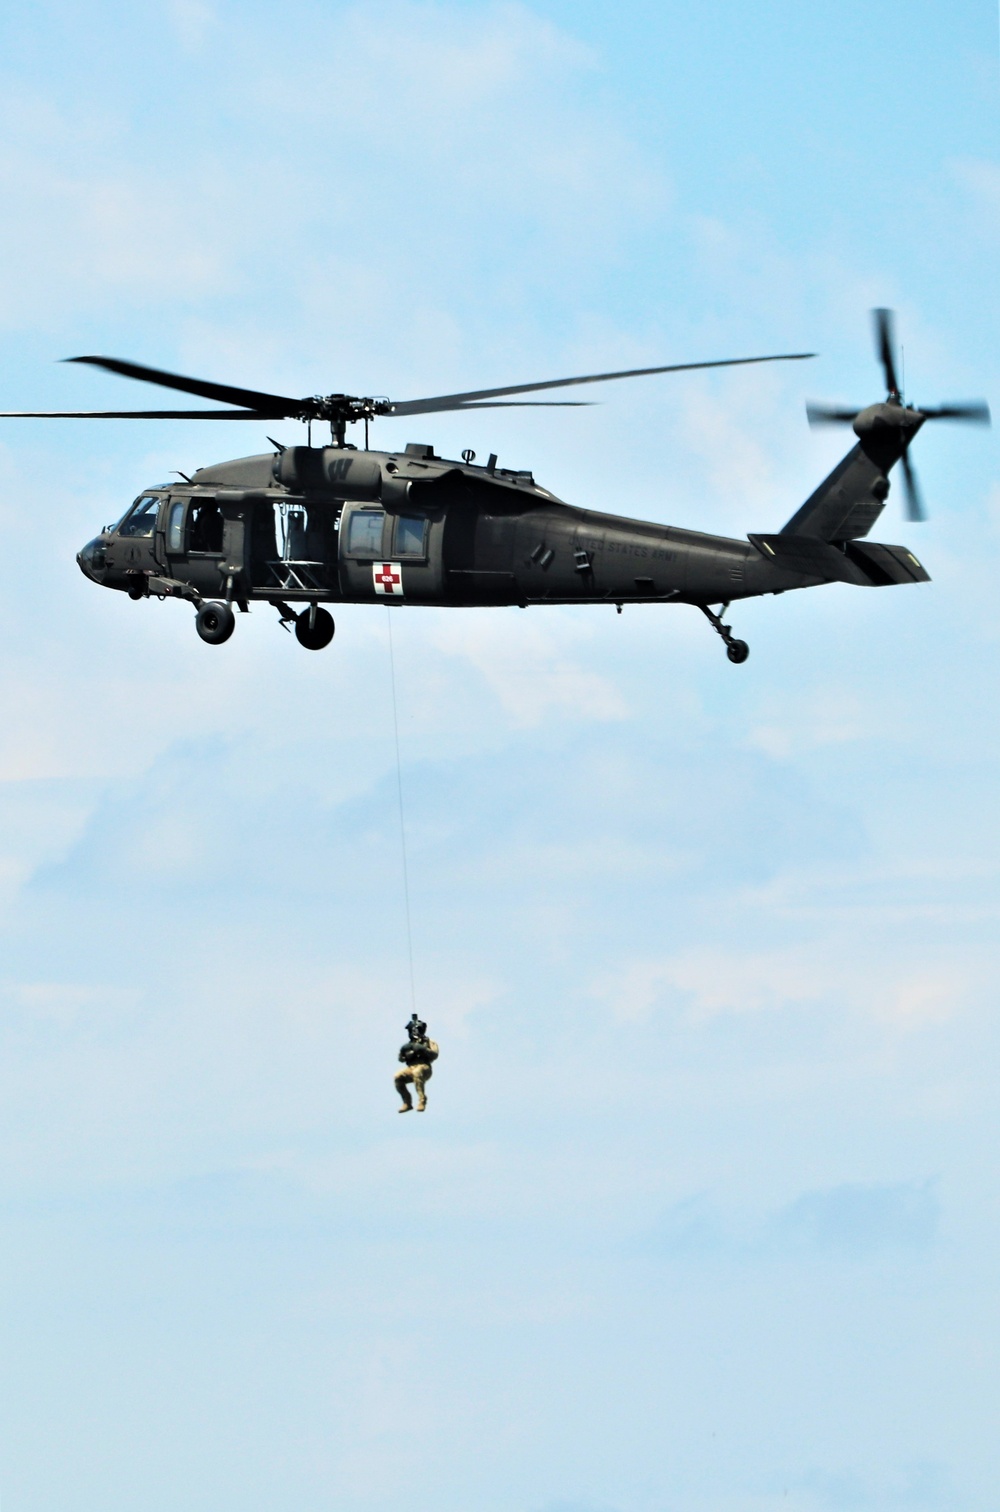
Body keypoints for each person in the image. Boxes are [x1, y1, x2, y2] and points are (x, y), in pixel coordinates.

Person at [395, 1015, 439, 1112]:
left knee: (417, 1072)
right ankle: (407, 1102)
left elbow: (435, 1054)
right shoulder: (409, 1045)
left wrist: (423, 1049)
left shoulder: (429, 1042)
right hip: (411, 1067)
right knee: (398, 1077)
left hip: (424, 1067)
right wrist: (405, 1053)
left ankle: (422, 1100)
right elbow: (401, 1059)